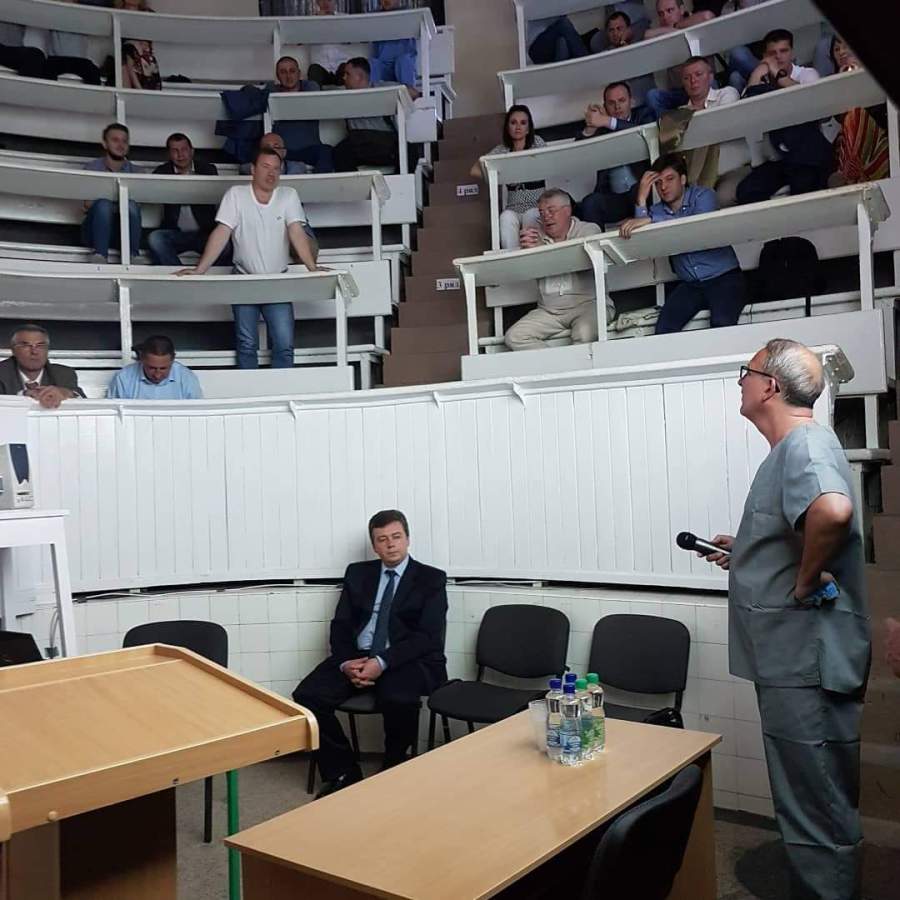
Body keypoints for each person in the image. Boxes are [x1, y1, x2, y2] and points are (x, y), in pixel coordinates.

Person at [704, 338, 870, 900]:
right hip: (795, 662)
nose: (741, 381)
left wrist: (803, 581)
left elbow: (832, 511)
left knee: (815, 807)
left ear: (769, 387)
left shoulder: (803, 444)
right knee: (809, 798)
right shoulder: (796, 448)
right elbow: (804, 526)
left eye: (745, 372)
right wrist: (751, 550)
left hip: (806, 661)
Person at [292, 509, 448, 798]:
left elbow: (427, 637)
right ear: (374, 545)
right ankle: (343, 772)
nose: (390, 544)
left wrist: (382, 661)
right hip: (357, 655)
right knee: (307, 696)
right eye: (382, 539)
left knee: (399, 699)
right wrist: (345, 662)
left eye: (396, 537)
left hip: (403, 658)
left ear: (408, 539)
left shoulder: (431, 579)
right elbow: (340, 624)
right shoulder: (358, 574)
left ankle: (393, 769)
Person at [177, 146, 320, 370]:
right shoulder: (236, 194)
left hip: (278, 281)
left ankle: (283, 389)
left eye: (276, 168)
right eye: (265, 167)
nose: (271, 173)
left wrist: (312, 267)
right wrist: (200, 269)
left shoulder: (288, 195)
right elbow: (222, 232)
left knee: (284, 345)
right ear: (253, 169)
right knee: (246, 344)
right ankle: (250, 391)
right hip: (243, 279)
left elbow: (296, 232)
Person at [618, 153, 747, 334]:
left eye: (670, 179)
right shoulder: (656, 211)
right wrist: (641, 199)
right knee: (664, 330)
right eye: (658, 182)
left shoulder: (704, 195)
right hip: (691, 285)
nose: (663, 187)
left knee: (721, 323)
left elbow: (695, 228)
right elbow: (643, 238)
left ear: (683, 179)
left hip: (724, 278)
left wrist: (651, 220)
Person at [504, 189, 614, 352]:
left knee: (584, 333)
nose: (546, 216)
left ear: (567, 210)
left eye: (551, 210)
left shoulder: (589, 230)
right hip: (549, 311)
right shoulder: (536, 236)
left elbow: (578, 259)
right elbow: (522, 270)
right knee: (515, 336)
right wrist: (524, 252)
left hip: (589, 305)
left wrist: (541, 250)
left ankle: (571, 368)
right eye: (542, 212)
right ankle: (558, 364)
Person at [735, 30, 831, 205]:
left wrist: (779, 75)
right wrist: (759, 71)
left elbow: (809, 101)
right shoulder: (761, 78)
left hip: (807, 153)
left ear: (792, 53)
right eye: (772, 53)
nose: (778, 57)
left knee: (803, 183)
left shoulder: (807, 74)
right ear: (764, 57)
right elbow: (746, 108)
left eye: (784, 51)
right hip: (778, 159)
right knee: (746, 191)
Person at [576, 81, 656, 230]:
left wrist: (607, 121)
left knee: (639, 188)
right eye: (611, 103)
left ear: (631, 101)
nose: (617, 106)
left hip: (642, 191)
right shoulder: (601, 128)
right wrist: (590, 128)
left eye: (622, 100)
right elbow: (578, 154)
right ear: (605, 106)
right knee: (591, 202)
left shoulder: (644, 115)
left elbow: (643, 133)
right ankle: (598, 244)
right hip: (614, 197)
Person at [471, 105, 545, 250]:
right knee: (505, 217)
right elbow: (474, 170)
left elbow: (549, 162)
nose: (518, 127)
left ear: (528, 128)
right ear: (507, 127)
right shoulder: (502, 149)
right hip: (513, 208)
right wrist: (499, 176)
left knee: (532, 215)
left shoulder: (537, 143)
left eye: (523, 123)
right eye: (513, 122)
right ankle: (513, 259)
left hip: (536, 205)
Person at [148, 133, 225, 267]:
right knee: (155, 239)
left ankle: (202, 274)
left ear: (192, 151)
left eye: (184, 149)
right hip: (176, 233)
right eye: (175, 151)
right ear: (169, 154)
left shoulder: (207, 170)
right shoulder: (162, 172)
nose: (180, 155)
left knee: (225, 244)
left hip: (204, 233)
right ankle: (180, 274)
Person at [828, 36, 888, 187]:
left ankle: (846, 174)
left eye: (846, 46)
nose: (842, 52)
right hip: (851, 150)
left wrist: (860, 78)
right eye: (836, 49)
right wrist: (844, 84)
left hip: (880, 145)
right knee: (850, 119)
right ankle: (849, 173)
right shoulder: (832, 85)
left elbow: (882, 113)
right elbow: (839, 118)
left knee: (855, 115)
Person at [82, 123, 143, 264]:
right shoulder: (92, 168)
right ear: (104, 144)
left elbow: (138, 206)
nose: (121, 145)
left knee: (130, 205)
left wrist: (108, 197)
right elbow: (87, 204)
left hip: (124, 232)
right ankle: (100, 255)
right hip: (95, 231)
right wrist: (117, 200)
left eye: (124, 141)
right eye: (115, 140)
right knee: (104, 205)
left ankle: (133, 255)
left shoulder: (138, 172)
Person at [269, 56, 335, 173]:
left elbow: (311, 94)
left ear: (299, 73)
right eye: (283, 72)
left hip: (308, 150)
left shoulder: (309, 87)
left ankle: (319, 184)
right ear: (277, 76)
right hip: (283, 151)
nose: (288, 76)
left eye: (292, 71)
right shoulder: (272, 90)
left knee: (326, 151)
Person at [333, 57, 399, 172]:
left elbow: (413, 92)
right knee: (340, 152)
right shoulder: (343, 95)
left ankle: (398, 182)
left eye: (348, 74)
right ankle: (354, 184)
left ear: (359, 76)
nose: (344, 78)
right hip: (358, 143)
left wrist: (389, 96)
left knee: (410, 149)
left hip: (384, 142)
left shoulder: (382, 88)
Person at [0, 324, 84, 408]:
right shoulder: (2, 372)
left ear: (47, 350)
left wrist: (67, 393)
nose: (34, 352)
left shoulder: (63, 373)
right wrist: (23, 396)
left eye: (40, 346)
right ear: (13, 350)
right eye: (26, 345)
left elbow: (85, 403)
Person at [107, 335, 202, 400]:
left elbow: (197, 414)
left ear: (173, 359)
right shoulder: (123, 378)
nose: (157, 375)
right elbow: (113, 416)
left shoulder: (187, 378)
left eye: (163, 368)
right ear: (142, 359)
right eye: (151, 368)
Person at [370, 0, 419, 97]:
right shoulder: (375, 16)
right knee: (372, 63)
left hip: (402, 65)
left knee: (404, 60)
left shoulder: (408, 13)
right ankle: (373, 94)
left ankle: (409, 93)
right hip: (384, 66)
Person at [116, 0, 161, 91]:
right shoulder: (117, 13)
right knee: (127, 52)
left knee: (134, 51)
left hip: (143, 58)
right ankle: (137, 90)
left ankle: (139, 90)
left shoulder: (148, 14)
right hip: (126, 58)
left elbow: (148, 42)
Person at [307, 0, 353, 87]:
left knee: (349, 69)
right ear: (317, 2)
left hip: (341, 64)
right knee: (313, 70)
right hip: (320, 66)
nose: (326, 3)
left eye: (329, 0)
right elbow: (299, 41)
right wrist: (317, 21)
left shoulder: (346, 18)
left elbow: (355, 38)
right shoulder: (309, 21)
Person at [644, 0, 714, 39]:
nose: (665, 17)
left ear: (681, 9)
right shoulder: (660, 32)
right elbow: (647, 34)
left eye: (669, 10)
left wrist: (675, 25)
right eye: (661, 14)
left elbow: (707, 16)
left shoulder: (693, 19)